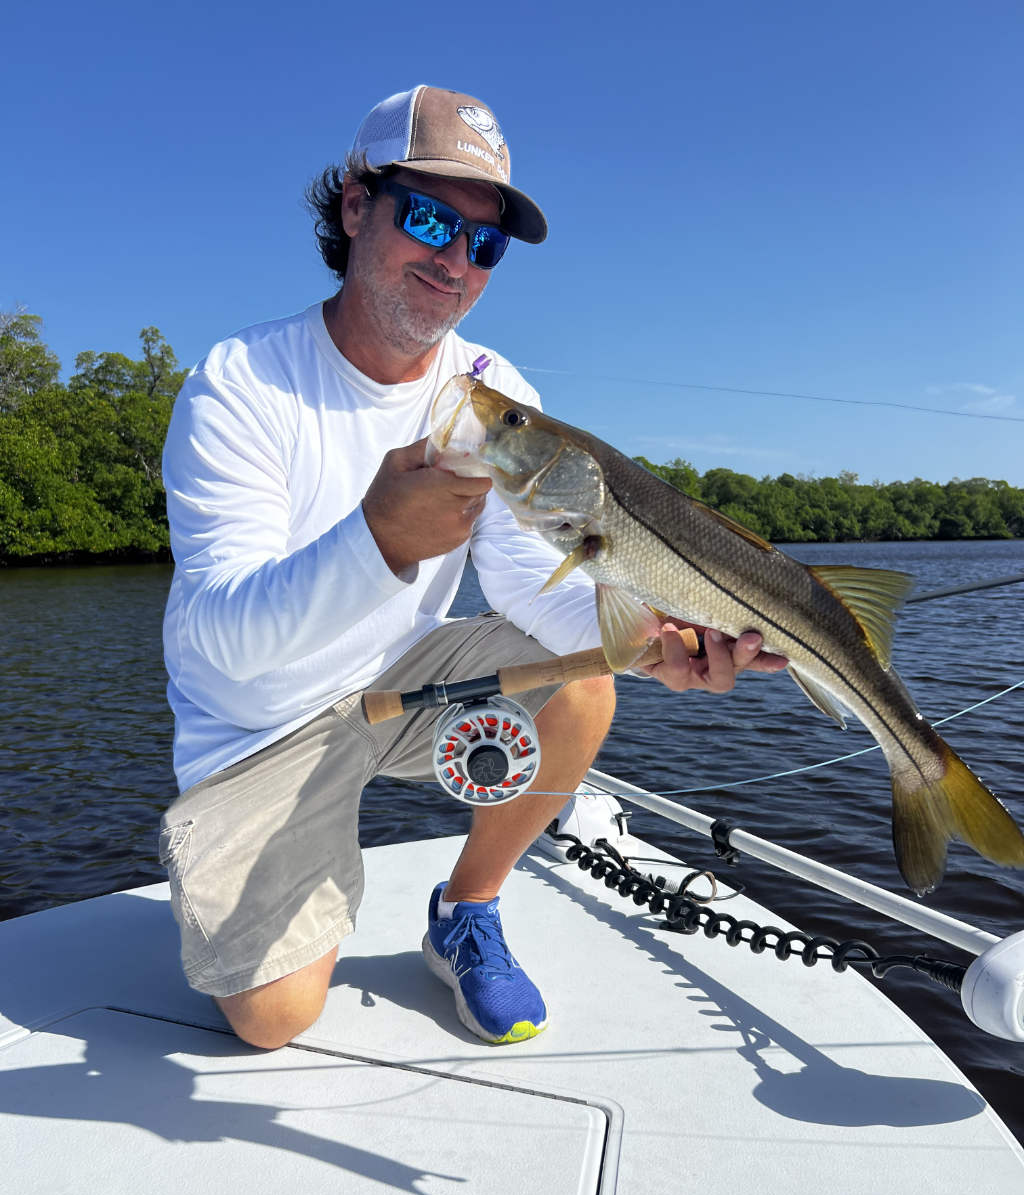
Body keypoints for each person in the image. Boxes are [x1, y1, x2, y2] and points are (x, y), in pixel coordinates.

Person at [158, 85, 785, 1052]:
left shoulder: (492, 397)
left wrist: (647, 642)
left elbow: (530, 585)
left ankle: (467, 907)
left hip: (397, 686)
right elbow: (223, 645)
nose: (455, 260)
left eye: (483, 243)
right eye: (427, 218)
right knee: (273, 1022)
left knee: (586, 687)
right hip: (257, 725)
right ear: (355, 207)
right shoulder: (240, 385)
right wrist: (378, 539)